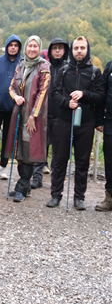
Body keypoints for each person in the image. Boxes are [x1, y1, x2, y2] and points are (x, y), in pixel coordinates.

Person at [47, 36, 106, 210]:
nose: (79, 51)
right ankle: (55, 195)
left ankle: (79, 197)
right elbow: (55, 94)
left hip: (86, 123)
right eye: (76, 48)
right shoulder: (64, 70)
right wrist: (68, 103)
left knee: (82, 162)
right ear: (71, 51)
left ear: (87, 50)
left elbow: (100, 96)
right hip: (64, 121)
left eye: (82, 48)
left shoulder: (95, 72)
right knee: (59, 160)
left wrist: (84, 94)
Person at [4, 36, 51, 203]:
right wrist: (15, 97)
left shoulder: (44, 66)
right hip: (19, 113)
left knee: (29, 151)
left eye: (35, 46)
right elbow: (11, 87)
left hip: (33, 116)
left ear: (39, 48)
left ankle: (21, 187)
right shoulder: (21, 65)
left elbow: (42, 93)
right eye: (30, 46)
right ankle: (25, 185)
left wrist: (33, 115)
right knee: (20, 150)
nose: (32, 49)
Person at [31, 38, 69, 188]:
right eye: (55, 48)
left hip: (62, 115)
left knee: (59, 151)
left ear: (65, 50)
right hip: (44, 113)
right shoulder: (44, 67)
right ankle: (37, 178)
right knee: (41, 147)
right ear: (50, 51)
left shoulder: (68, 68)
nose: (57, 51)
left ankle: (56, 181)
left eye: (60, 48)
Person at [0, 35, 23, 180]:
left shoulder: (22, 63)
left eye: (16, 45)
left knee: (9, 139)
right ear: (7, 46)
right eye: (11, 45)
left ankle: (2, 167)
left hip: (13, 108)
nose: (13, 47)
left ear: (19, 47)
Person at [95, 59, 112, 211]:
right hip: (110, 122)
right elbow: (102, 93)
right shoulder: (110, 65)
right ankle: (110, 198)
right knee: (110, 161)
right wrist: (99, 119)